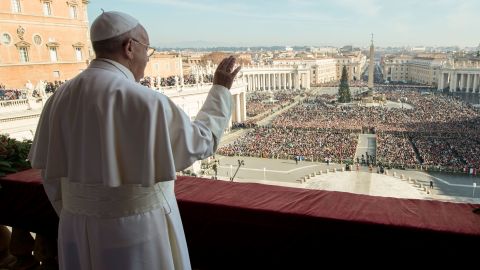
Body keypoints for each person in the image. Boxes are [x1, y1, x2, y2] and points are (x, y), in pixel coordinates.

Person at [28, 10, 240, 270]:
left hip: (75, 228)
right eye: (147, 50)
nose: (146, 59)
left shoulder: (58, 98)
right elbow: (199, 143)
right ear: (130, 47)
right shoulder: (146, 101)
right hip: (138, 230)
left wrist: (79, 212)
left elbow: (50, 176)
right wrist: (220, 89)